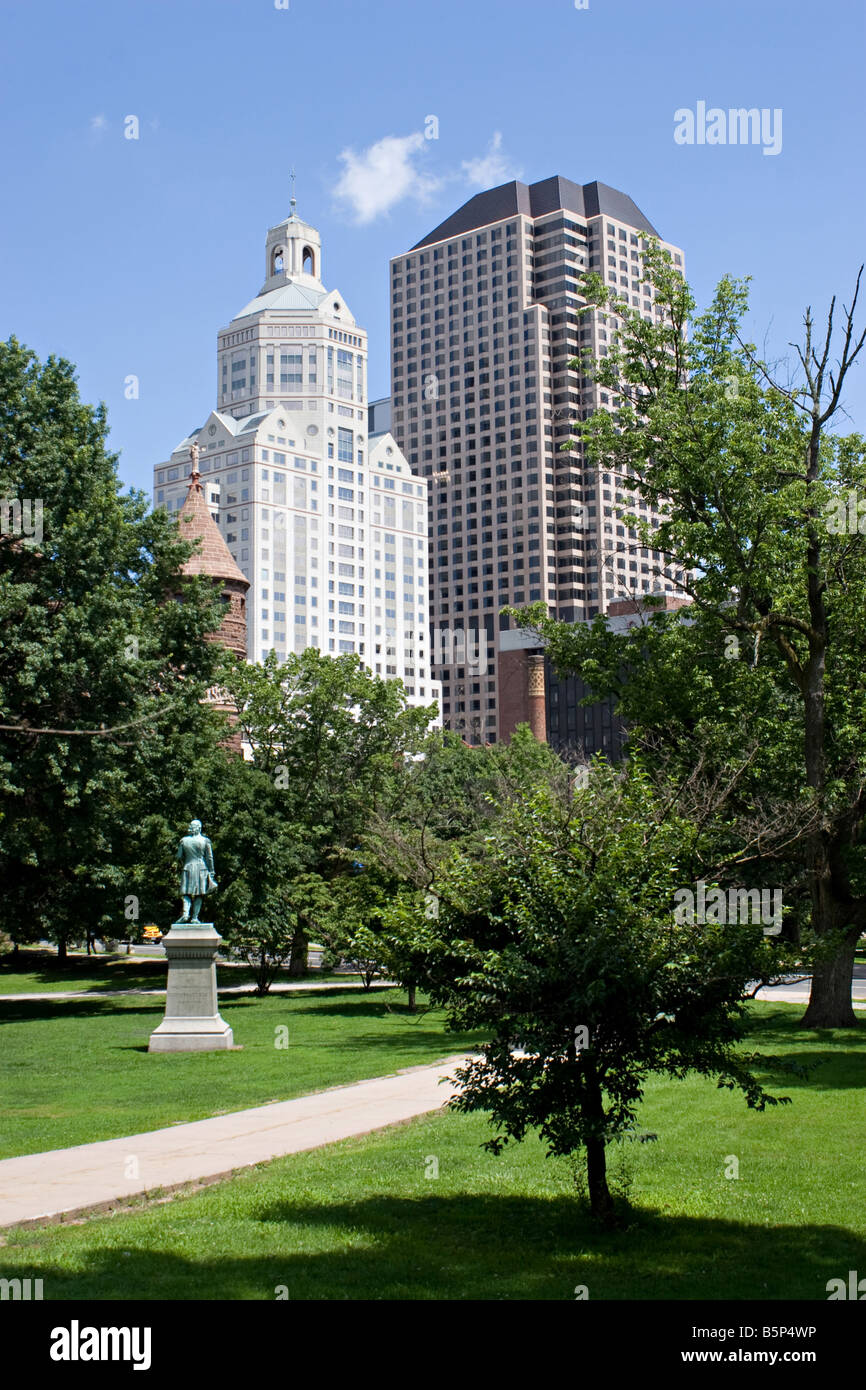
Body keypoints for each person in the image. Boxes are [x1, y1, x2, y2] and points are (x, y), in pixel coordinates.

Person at [175, 819, 217, 923]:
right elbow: (209, 858)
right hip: (201, 868)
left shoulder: (183, 840)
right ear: (199, 828)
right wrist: (211, 871)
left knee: (186, 893)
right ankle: (194, 917)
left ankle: (185, 914)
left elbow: (179, 856)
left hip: (187, 867)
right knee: (199, 894)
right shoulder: (205, 841)